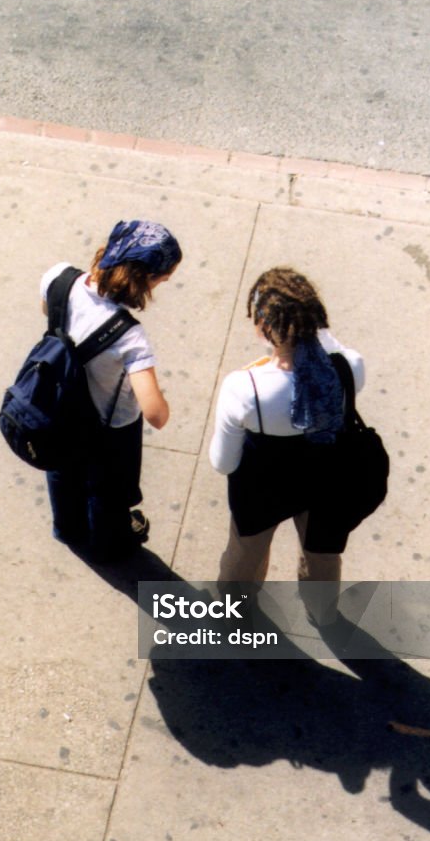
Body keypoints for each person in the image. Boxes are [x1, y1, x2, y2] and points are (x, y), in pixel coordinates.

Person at [209, 267, 365, 623]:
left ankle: (235, 610)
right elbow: (333, 356)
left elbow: (223, 462)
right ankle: (321, 610)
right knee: (322, 553)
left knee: (245, 553)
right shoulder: (350, 368)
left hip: (261, 488)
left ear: (265, 327)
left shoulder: (244, 388)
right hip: (326, 479)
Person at [40, 219, 182, 561]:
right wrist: (162, 400)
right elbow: (155, 414)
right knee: (108, 490)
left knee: (62, 470)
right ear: (145, 279)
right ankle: (110, 543)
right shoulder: (130, 337)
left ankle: (68, 528)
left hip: (59, 404)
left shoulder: (58, 278)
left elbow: (51, 319)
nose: (165, 281)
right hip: (109, 427)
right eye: (164, 276)